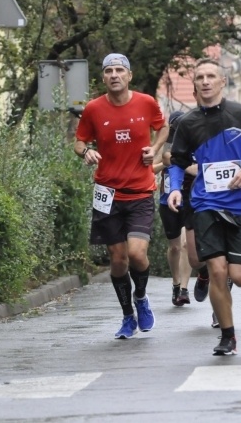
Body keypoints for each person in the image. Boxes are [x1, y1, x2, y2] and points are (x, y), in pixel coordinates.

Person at [168, 59, 241, 356]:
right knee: (217, 270)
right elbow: (177, 162)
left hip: (240, 206)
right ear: (195, 85)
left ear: (222, 82)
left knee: (240, 274)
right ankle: (227, 336)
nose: (205, 81)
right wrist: (175, 189)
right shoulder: (189, 123)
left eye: (210, 76)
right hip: (205, 203)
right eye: (200, 77)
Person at [74, 53, 169, 339]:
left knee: (137, 254)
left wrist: (155, 147)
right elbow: (79, 142)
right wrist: (87, 151)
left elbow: (163, 126)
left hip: (140, 191)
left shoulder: (146, 103)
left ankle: (141, 297)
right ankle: (128, 315)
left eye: (119, 70)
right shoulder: (93, 109)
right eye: (108, 71)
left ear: (128, 76)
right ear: (103, 78)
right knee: (117, 261)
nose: (114, 75)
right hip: (107, 193)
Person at [155, 111, 191, 306]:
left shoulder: (191, 141)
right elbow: (150, 168)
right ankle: (176, 283)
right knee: (175, 247)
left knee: (186, 245)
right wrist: (164, 163)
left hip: (188, 200)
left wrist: (182, 164)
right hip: (166, 201)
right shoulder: (164, 144)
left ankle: (184, 289)